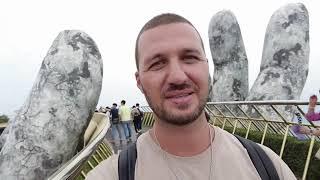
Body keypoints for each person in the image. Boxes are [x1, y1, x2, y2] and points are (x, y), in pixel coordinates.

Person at [86, 13, 296, 180]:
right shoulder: (112, 175)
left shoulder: (267, 165)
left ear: (207, 68)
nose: (177, 77)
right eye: (157, 63)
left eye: (190, 58)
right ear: (139, 82)